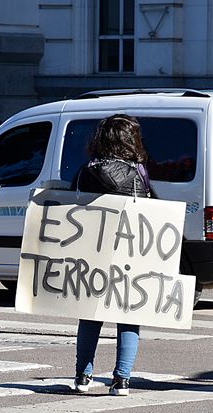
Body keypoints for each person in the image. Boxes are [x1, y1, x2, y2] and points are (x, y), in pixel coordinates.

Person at [72, 114, 152, 396]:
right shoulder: (138, 173)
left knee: (90, 314)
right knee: (128, 314)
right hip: (129, 253)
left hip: (91, 253)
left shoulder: (85, 171)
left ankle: (83, 376)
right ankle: (122, 380)